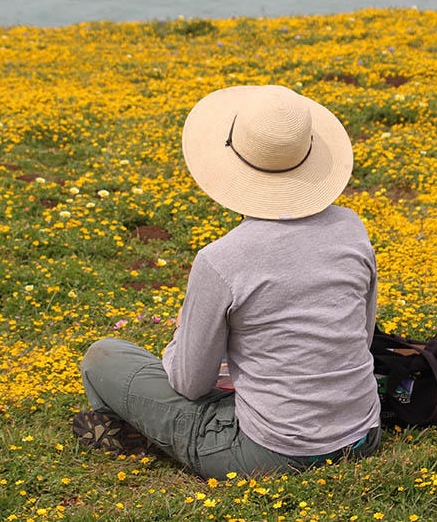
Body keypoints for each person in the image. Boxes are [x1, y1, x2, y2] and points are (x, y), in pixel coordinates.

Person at [72, 84, 382, 478]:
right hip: (362, 435)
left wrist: (182, 339)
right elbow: (364, 337)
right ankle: (146, 429)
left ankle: (135, 429)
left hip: (268, 455)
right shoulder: (351, 228)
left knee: (104, 355)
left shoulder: (222, 260)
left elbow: (190, 384)